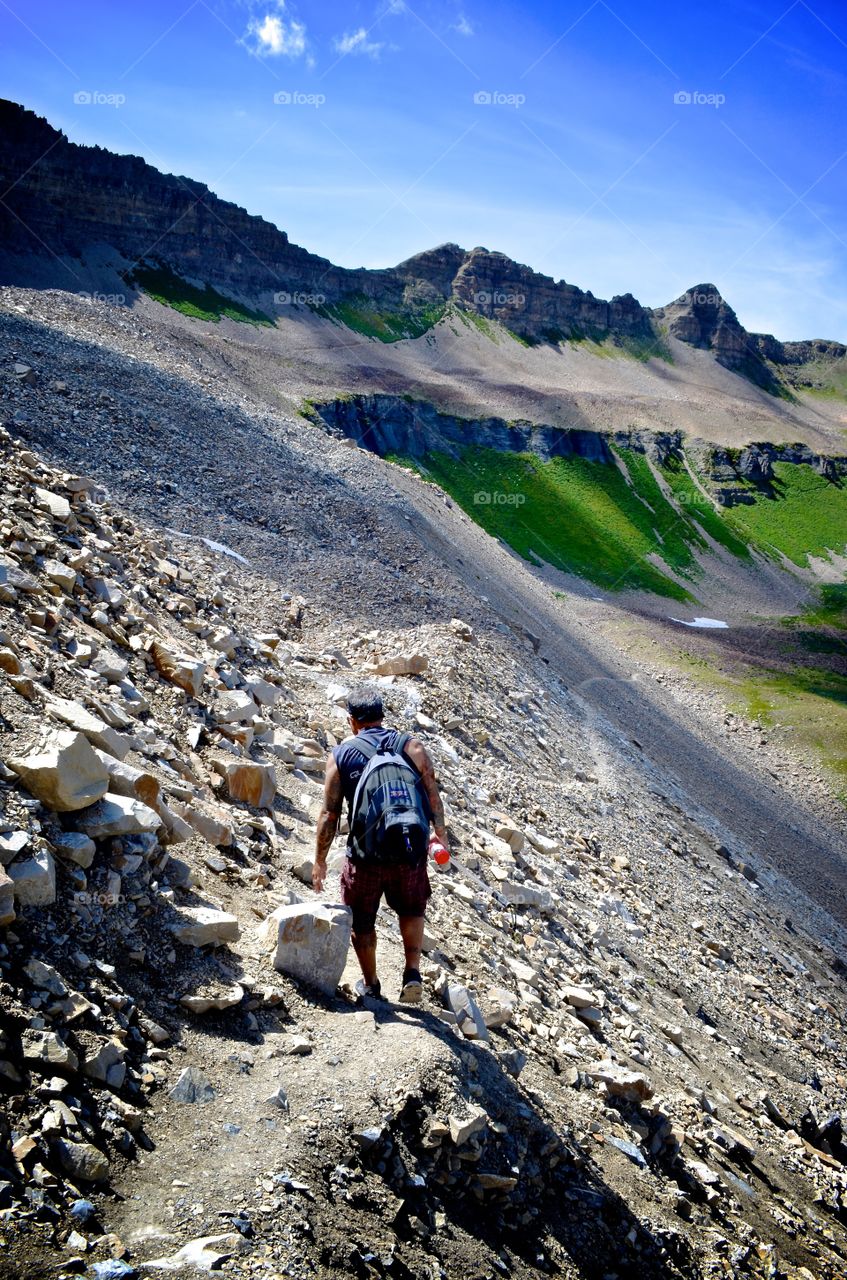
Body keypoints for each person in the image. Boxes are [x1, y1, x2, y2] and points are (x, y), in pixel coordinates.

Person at [312, 685, 449, 1002]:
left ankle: (372, 985)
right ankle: (412, 973)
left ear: (352, 721)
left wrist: (320, 860)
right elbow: (432, 795)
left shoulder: (342, 755)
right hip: (409, 850)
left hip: (365, 856)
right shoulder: (411, 746)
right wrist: (439, 835)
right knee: (412, 909)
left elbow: (329, 815)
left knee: (362, 920)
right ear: (381, 716)